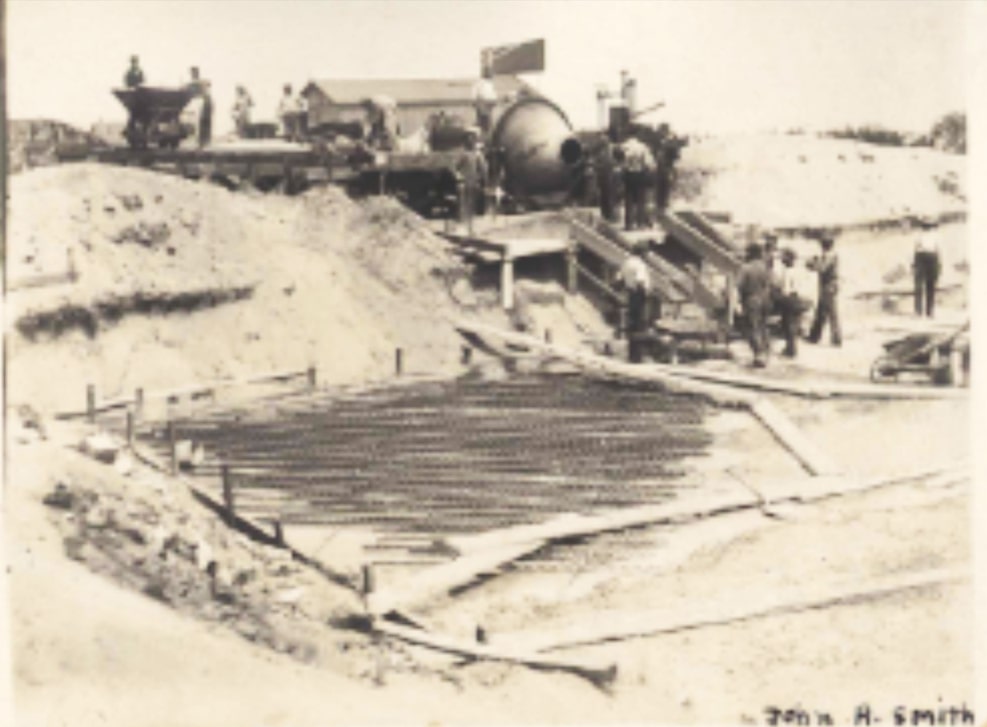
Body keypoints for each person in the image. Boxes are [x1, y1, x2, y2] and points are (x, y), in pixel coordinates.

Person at [737, 242, 773, 367]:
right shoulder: (765, 267)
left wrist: (738, 301)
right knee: (764, 326)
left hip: (751, 300)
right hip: (765, 299)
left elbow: (740, 286)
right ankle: (767, 352)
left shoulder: (745, 268)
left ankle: (759, 355)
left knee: (752, 328)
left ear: (750, 253)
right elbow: (770, 284)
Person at [617, 241, 653, 363]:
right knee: (640, 324)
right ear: (642, 253)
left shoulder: (626, 262)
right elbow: (640, 281)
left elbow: (619, 279)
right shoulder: (640, 265)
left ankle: (632, 355)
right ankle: (638, 357)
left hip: (630, 293)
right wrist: (645, 294)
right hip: (639, 294)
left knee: (632, 324)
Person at [807, 235, 842, 346]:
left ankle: (836, 339)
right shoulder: (828, 255)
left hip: (829, 286)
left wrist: (811, 263)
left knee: (831, 313)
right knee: (821, 312)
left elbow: (822, 268)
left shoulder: (830, 256)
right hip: (826, 286)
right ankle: (814, 337)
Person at [620, 135, 655, 231]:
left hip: (628, 175)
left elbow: (621, 162)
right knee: (641, 200)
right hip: (640, 175)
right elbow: (649, 163)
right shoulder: (642, 147)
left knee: (628, 200)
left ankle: (628, 224)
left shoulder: (624, 146)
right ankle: (640, 223)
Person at [776, 248, 804, 357]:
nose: (782, 259)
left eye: (784, 257)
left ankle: (791, 349)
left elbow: (786, 290)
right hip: (797, 298)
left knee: (788, 325)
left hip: (789, 300)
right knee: (793, 325)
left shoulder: (788, 272)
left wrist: (780, 297)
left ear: (788, 259)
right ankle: (790, 348)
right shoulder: (797, 271)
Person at [913, 230, 941, 317]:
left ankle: (929, 311)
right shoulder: (919, 234)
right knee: (920, 285)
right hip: (923, 256)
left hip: (929, 256)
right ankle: (919, 311)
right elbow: (915, 248)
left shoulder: (935, 235)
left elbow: (938, 250)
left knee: (929, 284)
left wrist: (938, 263)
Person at [472, 66, 498, 135]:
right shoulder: (480, 83)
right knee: (483, 120)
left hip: (488, 103)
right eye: (489, 73)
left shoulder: (489, 83)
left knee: (487, 120)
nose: (491, 75)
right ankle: (482, 133)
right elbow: (475, 92)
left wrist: (494, 100)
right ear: (484, 74)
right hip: (483, 102)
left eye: (491, 73)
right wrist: (475, 101)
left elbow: (491, 93)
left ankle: (486, 133)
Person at [198, 81, 213, 148]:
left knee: (204, 127)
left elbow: (207, 105)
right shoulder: (207, 95)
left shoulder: (207, 95)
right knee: (205, 127)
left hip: (205, 114)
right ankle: (204, 141)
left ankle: (204, 142)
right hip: (205, 113)